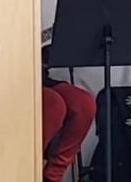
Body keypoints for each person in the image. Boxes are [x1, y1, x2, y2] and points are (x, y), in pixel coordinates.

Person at [42, 43, 97, 182]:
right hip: (13, 77)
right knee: (54, 104)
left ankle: (52, 176)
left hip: (41, 77)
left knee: (84, 104)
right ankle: (28, 170)